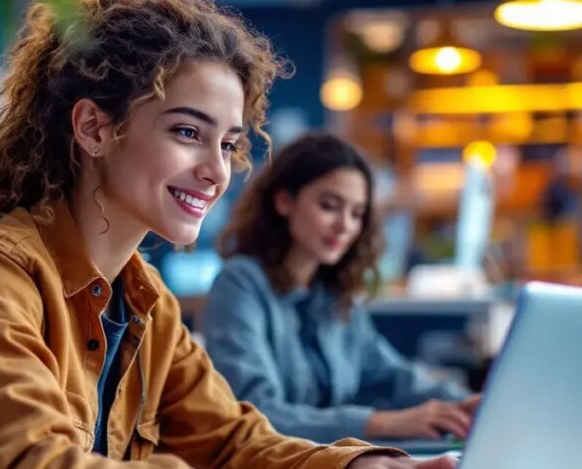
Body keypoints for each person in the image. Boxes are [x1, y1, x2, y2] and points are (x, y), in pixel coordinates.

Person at [0, 0, 456, 469]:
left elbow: (232, 442)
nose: (216, 170)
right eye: (187, 132)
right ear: (94, 129)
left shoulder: (145, 299)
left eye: (227, 143)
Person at [205, 133, 480, 443]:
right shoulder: (240, 282)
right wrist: (381, 423)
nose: (345, 226)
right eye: (330, 206)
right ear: (284, 201)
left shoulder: (333, 294)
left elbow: (391, 377)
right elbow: (255, 412)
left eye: (357, 214)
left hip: (331, 466)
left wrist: (465, 403)